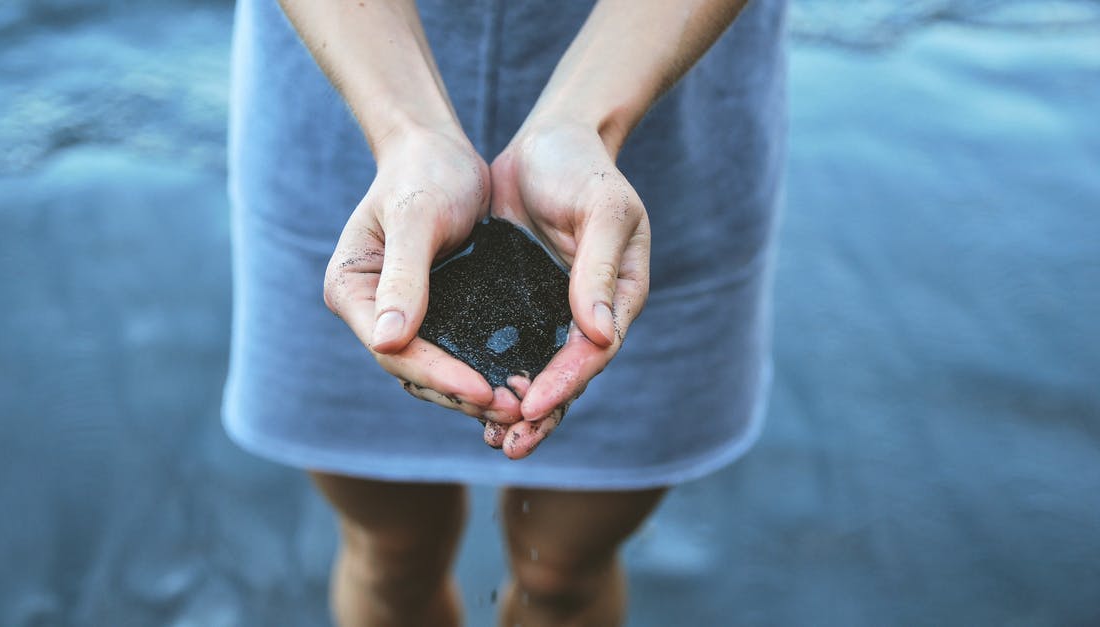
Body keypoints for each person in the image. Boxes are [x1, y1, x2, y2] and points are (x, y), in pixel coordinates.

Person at [223, 0, 786, 624]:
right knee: (391, 550)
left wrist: (587, 125)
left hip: (657, 97)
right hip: (353, 90)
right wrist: (408, 133)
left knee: (564, 572)